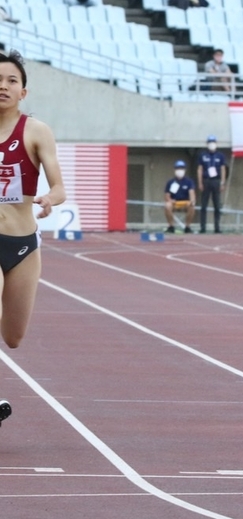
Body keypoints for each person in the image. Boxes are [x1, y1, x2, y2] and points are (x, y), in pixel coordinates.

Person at [0, 51, 66, 426]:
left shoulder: (36, 131)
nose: (3, 86)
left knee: (13, 337)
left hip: (23, 244)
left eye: (11, 80)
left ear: (23, 91)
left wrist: (48, 198)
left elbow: (59, 187)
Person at [197, 135, 226, 233]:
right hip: (206, 180)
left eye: (213, 142)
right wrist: (200, 182)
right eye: (210, 142)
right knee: (204, 205)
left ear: (216, 144)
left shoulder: (220, 155)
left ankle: (217, 228)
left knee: (217, 205)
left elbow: (222, 169)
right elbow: (200, 169)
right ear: (207, 144)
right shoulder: (203, 155)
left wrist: (222, 183)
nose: (211, 144)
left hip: (216, 181)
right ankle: (203, 227)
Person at [164, 160, 196, 234]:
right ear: (174, 170)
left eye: (181, 168)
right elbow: (167, 195)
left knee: (191, 206)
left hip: (185, 203)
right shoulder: (170, 182)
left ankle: (187, 227)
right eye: (178, 168)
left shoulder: (189, 181)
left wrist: (192, 201)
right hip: (175, 203)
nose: (179, 170)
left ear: (185, 170)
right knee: (167, 205)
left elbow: (192, 193)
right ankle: (171, 226)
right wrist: (170, 200)